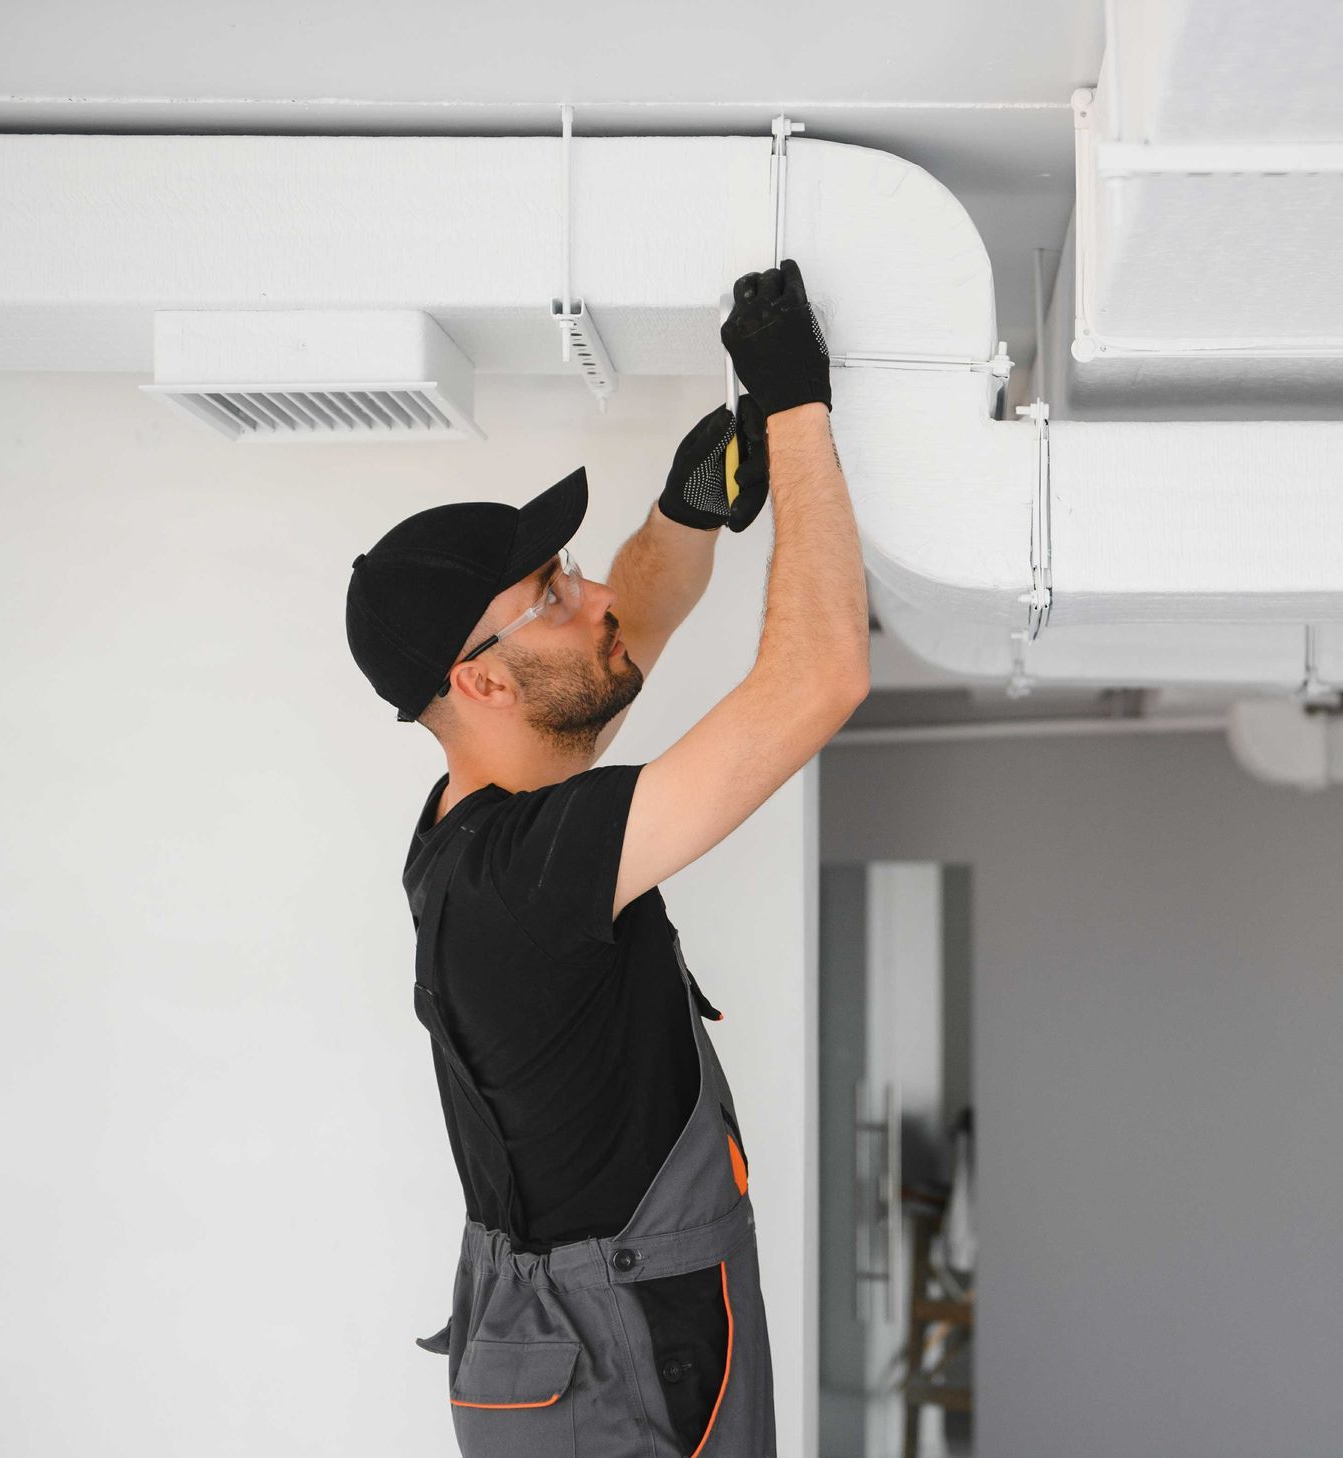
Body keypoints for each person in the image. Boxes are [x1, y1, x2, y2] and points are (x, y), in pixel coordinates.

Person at [344, 259, 869, 1457]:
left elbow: (631, 624)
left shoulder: (492, 810)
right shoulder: (525, 875)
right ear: (479, 678)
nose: (591, 598)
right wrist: (796, 408)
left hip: (598, 1327)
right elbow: (821, 677)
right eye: (551, 589)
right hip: (612, 1355)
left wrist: (685, 514)